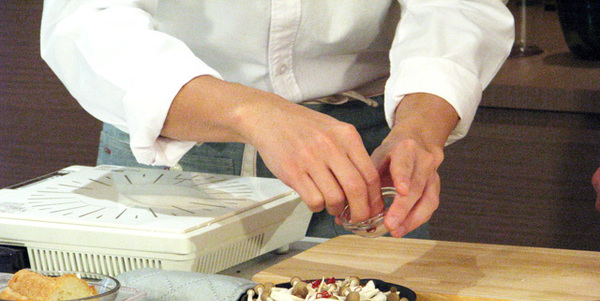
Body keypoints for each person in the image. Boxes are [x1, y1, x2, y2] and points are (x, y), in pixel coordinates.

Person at [40, 1, 514, 238]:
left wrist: (419, 130)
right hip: (172, 151)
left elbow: (459, 8)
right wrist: (247, 111)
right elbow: (85, 18)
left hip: (366, 157)